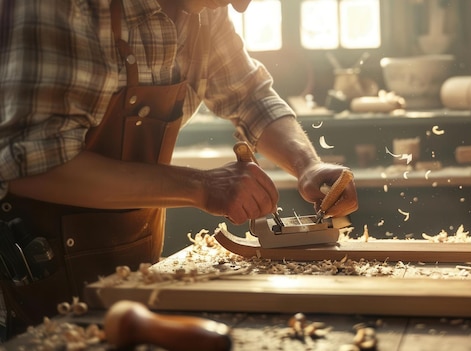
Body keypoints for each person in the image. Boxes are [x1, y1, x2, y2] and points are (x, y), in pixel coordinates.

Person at [0, 0, 358, 337]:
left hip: (130, 273)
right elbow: (30, 166)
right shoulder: (66, 7)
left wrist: (307, 164)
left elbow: (250, 96)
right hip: (31, 274)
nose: (243, 5)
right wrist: (202, 186)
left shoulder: (203, 11)